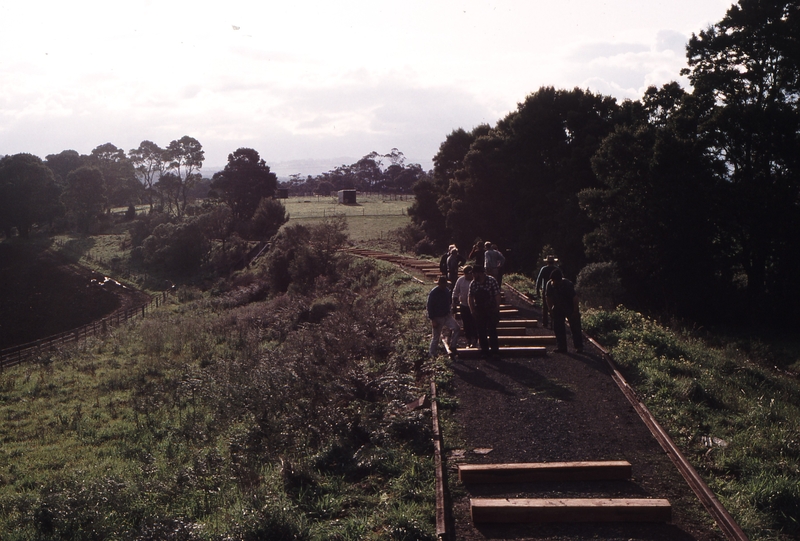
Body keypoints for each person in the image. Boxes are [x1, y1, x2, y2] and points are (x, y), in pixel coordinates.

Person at [545, 268, 583, 354]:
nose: (555, 283)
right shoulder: (549, 285)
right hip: (558, 307)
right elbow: (548, 298)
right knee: (558, 327)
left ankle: (579, 346)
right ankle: (561, 346)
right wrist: (550, 309)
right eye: (554, 281)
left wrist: (575, 311)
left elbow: (575, 299)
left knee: (575, 327)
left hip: (570, 307)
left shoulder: (567, 284)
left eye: (556, 281)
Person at [468, 264, 502, 357]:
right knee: (481, 331)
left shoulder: (491, 281)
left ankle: (495, 352)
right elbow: (470, 298)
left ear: (480, 273)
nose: (473, 276)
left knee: (492, 330)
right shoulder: (473, 283)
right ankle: (485, 351)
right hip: (479, 310)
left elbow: (497, 295)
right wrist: (472, 310)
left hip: (491, 309)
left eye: (474, 274)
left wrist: (497, 308)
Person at [427, 275, 460, 358]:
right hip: (437, 317)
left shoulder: (446, 291)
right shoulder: (433, 293)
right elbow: (429, 306)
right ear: (439, 284)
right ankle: (432, 353)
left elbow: (448, 302)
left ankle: (453, 346)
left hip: (447, 315)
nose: (444, 286)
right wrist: (433, 319)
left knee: (456, 328)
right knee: (436, 337)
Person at [452, 265, 478, 348]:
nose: (470, 276)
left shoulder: (476, 281)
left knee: (474, 323)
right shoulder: (460, 280)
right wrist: (454, 302)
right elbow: (455, 291)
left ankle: (475, 339)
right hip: (464, 305)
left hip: (474, 306)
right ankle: (469, 340)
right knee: (466, 324)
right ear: (465, 274)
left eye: (471, 274)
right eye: (468, 274)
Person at [536, 255, 559, 328]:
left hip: (545, 290)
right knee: (555, 306)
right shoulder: (556, 269)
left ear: (547, 262)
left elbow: (539, 280)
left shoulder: (544, 269)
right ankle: (554, 322)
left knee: (545, 307)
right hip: (555, 290)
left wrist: (537, 290)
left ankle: (545, 323)